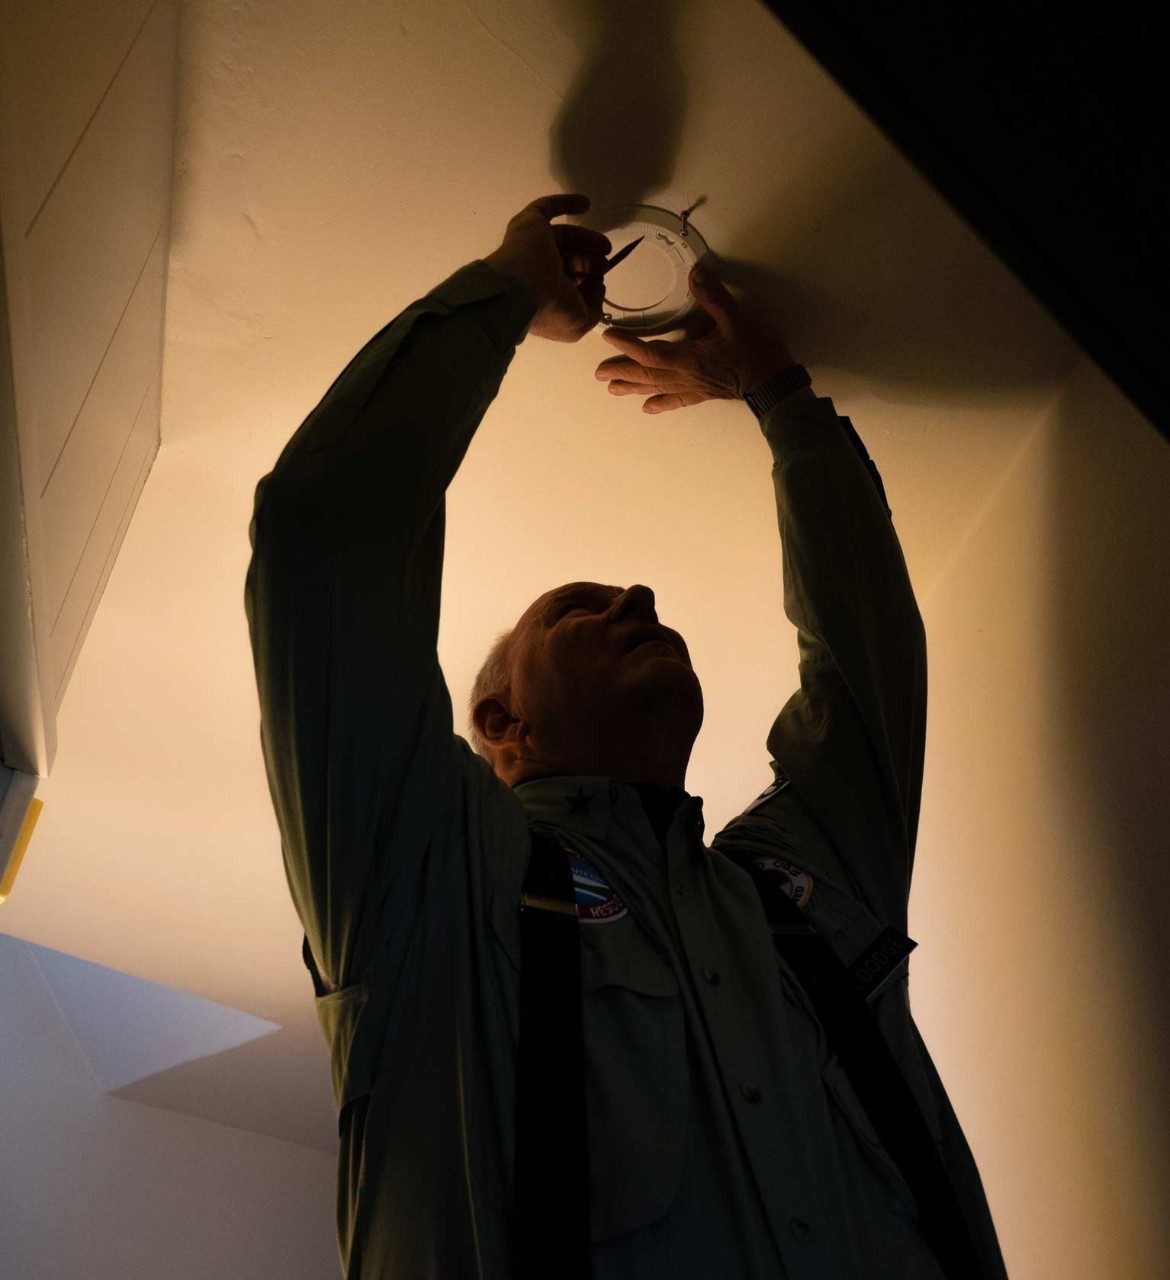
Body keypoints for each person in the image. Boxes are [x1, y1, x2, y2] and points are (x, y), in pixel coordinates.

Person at [244, 193, 1008, 1278]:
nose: (640, 594)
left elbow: (870, 665)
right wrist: (503, 294)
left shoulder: (796, 890)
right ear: (499, 721)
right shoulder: (433, 883)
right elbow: (321, 541)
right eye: (579, 607)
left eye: (628, 594)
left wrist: (783, 398)